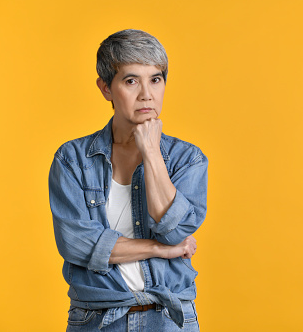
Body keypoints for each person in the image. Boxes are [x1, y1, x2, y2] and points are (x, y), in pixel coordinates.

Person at [48, 29, 208, 331]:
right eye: (131, 80)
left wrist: (151, 151)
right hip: (96, 319)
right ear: (106, 88)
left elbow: (174, 231)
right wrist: (158, 249)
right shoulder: (72, 159)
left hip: (169, 317)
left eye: (155, 79)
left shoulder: (188, 159)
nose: (146, 94)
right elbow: (78, 244)